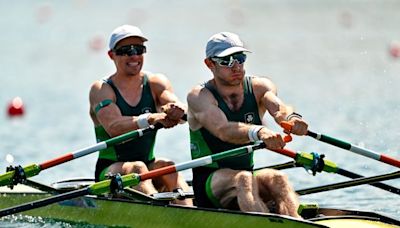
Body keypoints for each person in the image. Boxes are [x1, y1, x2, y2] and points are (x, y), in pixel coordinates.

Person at [187, 32, 308, 217]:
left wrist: (291, 119)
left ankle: (295, 221)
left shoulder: (260, 87)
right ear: (209, 64)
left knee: (278, 179)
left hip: (246, 179)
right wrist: (258, 131)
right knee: (244, 178)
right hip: (209, 182)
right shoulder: (199, 96)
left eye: (240, 58)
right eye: (227, 61)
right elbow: (223, 130)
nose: (236, 66)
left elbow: (279, 108)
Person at [89, 25, 192, 206]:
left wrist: (178, 111)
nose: (134, 56)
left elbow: (173, 102)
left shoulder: (156, 82)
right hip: (110, 170)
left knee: (167, 166)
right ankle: (161, 214)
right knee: (137, 168)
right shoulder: (102, 89)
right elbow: (114, 127)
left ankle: (192, 215)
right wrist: (151, 118)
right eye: (126, 51)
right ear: (111, 55)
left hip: (147, 164)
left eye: (139, 50)